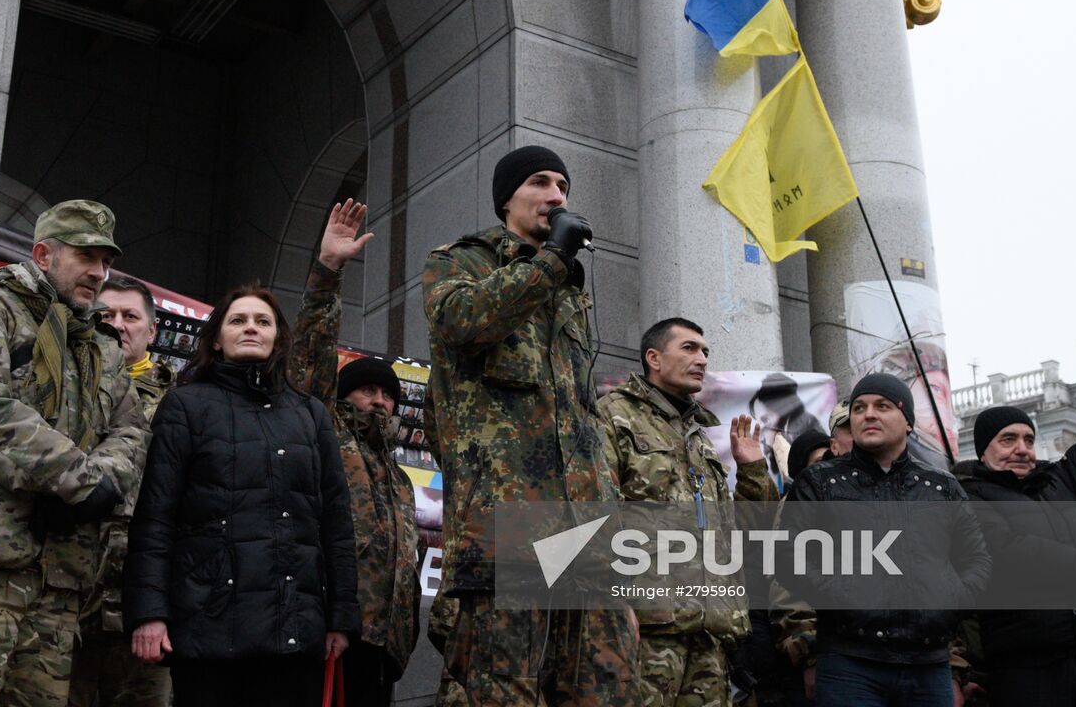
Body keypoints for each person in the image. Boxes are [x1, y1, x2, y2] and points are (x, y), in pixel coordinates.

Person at [0, 200, 147, 706]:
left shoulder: (99, 346)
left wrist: (100, 481)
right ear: (43, 254)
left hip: (60, 583)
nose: (98, 273)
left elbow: (130, 430)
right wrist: (80, 481)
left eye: (105, 261)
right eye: (86, 256)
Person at [421, 144, 639, 705]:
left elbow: (581, 419)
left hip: (584, 524)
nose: (557, 196)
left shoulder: (567, 287)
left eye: (563, 186)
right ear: (507, 199)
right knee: (501, 688)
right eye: (541, 182)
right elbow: (462, 322)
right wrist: (549, 263)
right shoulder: (461, 261)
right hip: (508, 524)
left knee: (603, 688)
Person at [124, 285, 360, 706]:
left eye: (262, 321)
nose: (251, 328)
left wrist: (342, 616)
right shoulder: (184, 406)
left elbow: (337, 525)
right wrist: (149, 614)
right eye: (238, 320)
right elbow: (156, 518)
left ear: (278, 338)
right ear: (216, 339)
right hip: (207, 631)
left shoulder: (311, 415)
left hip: (296, 634)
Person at [952, 300, 1076, 706]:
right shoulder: (965, 493)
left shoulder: (1060, 482)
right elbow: (1002, 548)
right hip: (1025, 667)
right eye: (1008, 439)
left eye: (1027, 439)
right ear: (983, 451)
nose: (1021, 449)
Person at [780, 372, 991, 707]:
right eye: (860, 408)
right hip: (849, 661)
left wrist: (950, 603)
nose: (869, 414)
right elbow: (787, 555)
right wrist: (842, 595)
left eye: (882, 406)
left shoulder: (941, 486)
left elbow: (977, 560)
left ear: (907, 421)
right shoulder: (820, 483)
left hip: (929, 662)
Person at [598, 316, 778, 705]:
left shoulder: (700, 433)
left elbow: (742, 532)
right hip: (648, 625)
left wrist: (750, 468)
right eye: (689, 348)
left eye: (705, 351)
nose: (701, 359)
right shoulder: (613, 415)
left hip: (710, 629)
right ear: (654, 358)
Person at [289, 200, 420, 706]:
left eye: (388, 394)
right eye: (367, 390)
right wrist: (328, 272)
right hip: (329, 632)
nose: (380, 400)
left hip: (383, 648)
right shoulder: (324, 429)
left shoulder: (399, 477)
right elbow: (311, 355)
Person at [70, 275, 177, 707]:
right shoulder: (63, 389)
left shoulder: (181, 404)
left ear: (152, 331)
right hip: (68, 595)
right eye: (105, 315)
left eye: (130, 316)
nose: (117, 324)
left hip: (143, 604)